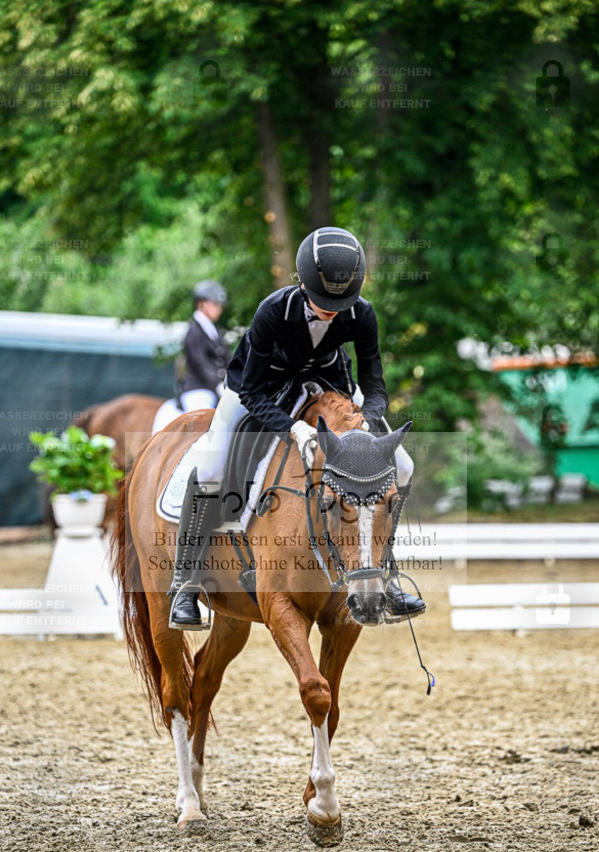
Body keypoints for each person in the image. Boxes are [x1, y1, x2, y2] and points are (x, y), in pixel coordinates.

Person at [167, 226, 426, 629]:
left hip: (328, 386)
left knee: (404, 465)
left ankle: (386, 574)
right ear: (302, 283)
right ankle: (185, 586)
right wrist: (294, 429)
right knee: (213, 466)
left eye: (340, 302)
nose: (331, 310)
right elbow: (251, 393)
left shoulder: (360, 312)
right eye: (324, 301)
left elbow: (374, 385)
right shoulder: (274, 310)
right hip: (259, 389)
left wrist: (368, 425)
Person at [151, 280, 229, 433]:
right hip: (199, 388)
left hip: (218, 387)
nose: (219, 309)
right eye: (215, 304)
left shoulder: (215, 331)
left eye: (220, 305)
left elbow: (226, 361)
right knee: (202, 423)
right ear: (201, 304)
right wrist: (219, 383)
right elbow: (200, 364)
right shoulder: (194, 331)